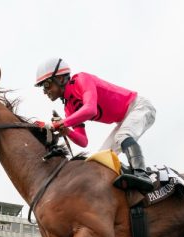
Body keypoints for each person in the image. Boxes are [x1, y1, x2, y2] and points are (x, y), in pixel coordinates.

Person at [34, 58, 156, 192]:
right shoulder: (69, 108)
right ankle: (128, 183)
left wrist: (59, 124)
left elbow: (90, 109)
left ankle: (141, 174)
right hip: (123, 120)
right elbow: (83, 141)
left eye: (46, 85)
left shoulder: (82, 79)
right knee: (99, 160)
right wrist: (67, 131)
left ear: (61, 79)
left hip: (139, 106)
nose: (45, 91)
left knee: (122, 136)